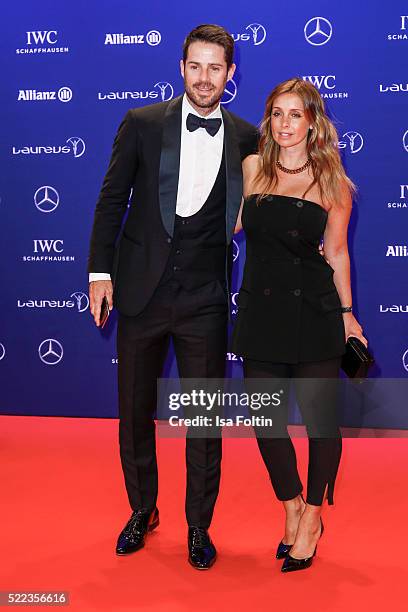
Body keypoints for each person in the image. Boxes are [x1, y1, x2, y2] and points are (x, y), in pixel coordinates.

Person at [87, 24, 258, 570]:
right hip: (140, 290)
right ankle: (142, 511)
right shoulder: (142, 124)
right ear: (180, 68)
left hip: (206, 296)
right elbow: (111, 200)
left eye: (216, 68)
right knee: (134, 411)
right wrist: (99, 272)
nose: (204, 77)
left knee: (204, 419)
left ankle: (198, 525)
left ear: (230, 74)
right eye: (195, 66)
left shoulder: (248, 137)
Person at [232, 77, 367, 572]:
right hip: (261, 313)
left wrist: (347, 316)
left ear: (313, 123)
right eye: (277, 113)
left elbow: (335, 252)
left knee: (320, 424)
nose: (284, 124)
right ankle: (290, 505)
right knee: (265, 423)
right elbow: (227, 225)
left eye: (295, 115)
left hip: (314, 311)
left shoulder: (333, 182)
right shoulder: (251, 169)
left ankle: (312, 516)